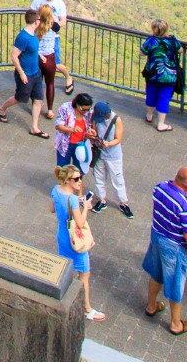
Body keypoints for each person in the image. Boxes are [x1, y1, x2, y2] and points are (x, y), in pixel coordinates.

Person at [143, 166, 187, 334]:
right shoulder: (185, 206)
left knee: (156, 273)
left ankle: (151, 306)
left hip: (156, 235)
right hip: (174, 246)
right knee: (175, 282)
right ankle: (176, 324)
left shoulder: (160, 187)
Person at [50, 164, 106, 322]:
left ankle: (63, 297)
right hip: (75, 239)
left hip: (62, 234)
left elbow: (52, 209)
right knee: (84, 274)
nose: (80, 181)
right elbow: (80, 223)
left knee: (66, 268)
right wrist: (86, 207)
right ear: (68, 180)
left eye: (80, 177)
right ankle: (87, 308)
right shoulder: (73, 199)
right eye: (76, 178)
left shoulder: (55, 189)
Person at [0, 7, 50, 136]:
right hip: (26, 74)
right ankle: (1, 108)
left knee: (38, 99)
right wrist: (21, 73)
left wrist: (39, 55)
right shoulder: (23, 37)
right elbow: (14, 55)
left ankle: (34, 127)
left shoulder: (33, 35)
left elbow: (31, 50)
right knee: (20, 98)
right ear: (36, 21)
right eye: (40, 19)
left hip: (35, 72)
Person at [88, 100, 132, 218]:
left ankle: (123, 202)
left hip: (113, 155)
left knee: (117, 178)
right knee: (99, 177)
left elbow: (118, 138)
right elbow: (94, 132)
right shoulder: (95, 116)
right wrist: (93, 135)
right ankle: (101, 200)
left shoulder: (116, 120)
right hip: (100, 154)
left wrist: (109, 144)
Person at [140, 19, 182, 132]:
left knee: (151, 94)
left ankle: (149, 115)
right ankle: (161, 123)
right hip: (168, 75)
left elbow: (142, 52)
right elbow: (181, 50)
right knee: (164, 98)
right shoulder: (172, 40)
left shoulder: (150, 40)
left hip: (152, 73)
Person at [31, 0, 72, 90]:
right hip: (39, 35)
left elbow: (63, 21)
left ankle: (68, 77)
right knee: (37, 60)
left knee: (56, 63)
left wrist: (52, 24)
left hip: (53, 37)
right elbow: (32, 15)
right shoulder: (37, 0)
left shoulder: (59, 3)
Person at [55, 92, 94, 175]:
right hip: (65, 145)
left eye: (88, 109)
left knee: (79, 171)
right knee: (63, 171)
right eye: (83, 109)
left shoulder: (89, 112)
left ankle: (77, 187)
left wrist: (89, 132)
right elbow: (58, 126)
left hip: (80, 145)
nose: (85, 112)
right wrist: (71, 129)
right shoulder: (65, 108)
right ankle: (63, 187)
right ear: (77, 105)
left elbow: (89, 125)